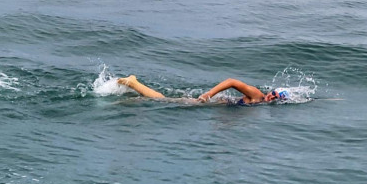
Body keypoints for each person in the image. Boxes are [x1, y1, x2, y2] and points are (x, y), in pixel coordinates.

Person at [117, 75, 289, 105]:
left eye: (276, 98)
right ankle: (133, 83)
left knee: (169, 100)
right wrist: (208, 95)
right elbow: (231, 81)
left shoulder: (262, 103)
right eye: (273, 94)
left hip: (219, 104)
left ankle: (136, 93)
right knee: (163, 101)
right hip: (213, 102)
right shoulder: (257, 95)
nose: (271, 98)